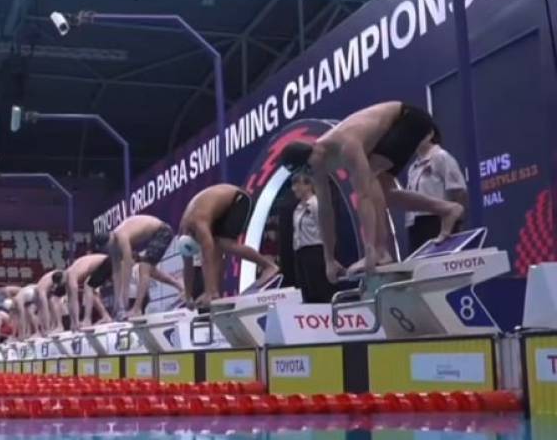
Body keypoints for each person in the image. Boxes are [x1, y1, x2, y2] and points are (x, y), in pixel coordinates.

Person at [278, 102, 464, 278]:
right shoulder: (316, 166)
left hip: (409, 119)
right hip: (389, 132)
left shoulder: (346, 145)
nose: (310, 173)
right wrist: (329, 259)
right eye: (304, 171)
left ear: (314, 150)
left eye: (308, 167)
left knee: (370, 176)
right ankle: (448, 209)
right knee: (385, 194)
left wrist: (369, 249)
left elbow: (364, 196)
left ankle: (381, 251)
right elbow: (325, 211)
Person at [176, 184, 280, 305]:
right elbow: (188, 267)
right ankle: (215, 293)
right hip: (219, 209)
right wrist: (188, 296)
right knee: (216, 246)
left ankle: (269, 266)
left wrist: (209, 292)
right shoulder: (182, 236)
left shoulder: (199, 225)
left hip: (238, 199)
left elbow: (207, 259)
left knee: (223, 243)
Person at [97, 215, 185, 319]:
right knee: (150, 270)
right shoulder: (113, 246)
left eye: (110, 246)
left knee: (144, 267)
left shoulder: (120, 236)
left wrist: (125, 294)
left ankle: (137, 309)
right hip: (154, 236)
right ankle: (180, 286)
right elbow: (116, 273)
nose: (111, 249)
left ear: (110, 238)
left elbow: (128, 264)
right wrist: (117, 303)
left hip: (163, 231)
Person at [405, 126, 468, 254]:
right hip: (415, 224)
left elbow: (459, 191)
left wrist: (454, 222)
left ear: (430, 134)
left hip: (437, 222)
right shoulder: (413, 167)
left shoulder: (441, 157)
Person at [290, 173, 334, 303]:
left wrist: (329, 256)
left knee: (319, 290)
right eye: (293, 185)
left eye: (298, 184)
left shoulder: (316, 204)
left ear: (308, 185)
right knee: (306, 292)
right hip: (300, 253)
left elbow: (326, 229)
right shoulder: (297, 208)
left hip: (315, 251)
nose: (294, 188)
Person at [54, 254, 114, 329]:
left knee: (88, 286)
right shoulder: (69, 273)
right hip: (107, 261)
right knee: (91, 291)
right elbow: (70, 301)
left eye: (65, 284)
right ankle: (106, 316)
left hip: (106, 262)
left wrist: (76, 322)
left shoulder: (71, 275)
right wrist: (73, 322)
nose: (66, 285)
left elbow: (74, 301)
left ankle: (87, 320)